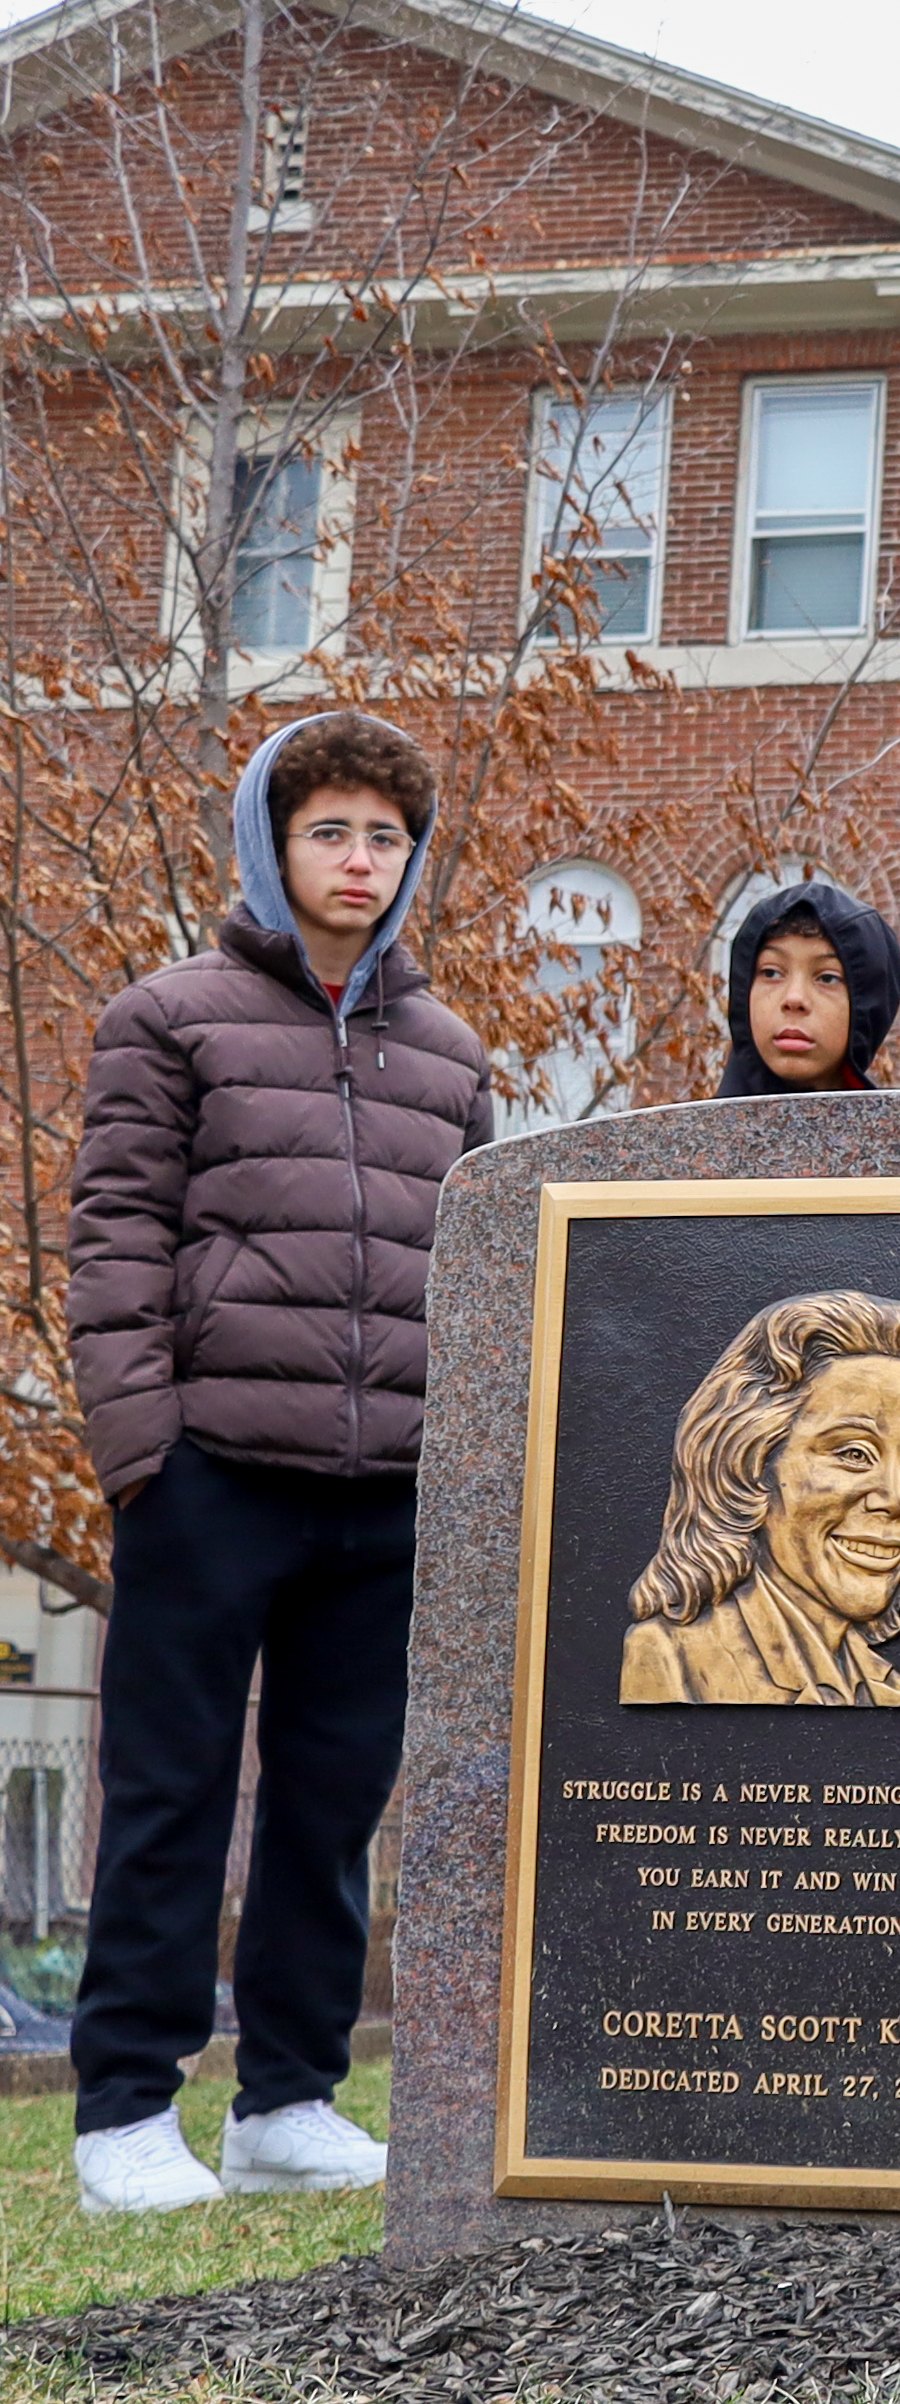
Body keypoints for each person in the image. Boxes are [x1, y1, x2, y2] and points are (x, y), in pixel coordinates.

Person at [63, 712, 494, 2215]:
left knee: (330, 1800)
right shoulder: (165, 1016)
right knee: (171, 1791)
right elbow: (116, 1237)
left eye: (385, 835)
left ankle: (288, 2100)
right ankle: (123, 2110)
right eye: (331, 832)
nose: (360, 860)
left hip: (385, 1492)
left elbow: (482, 1273)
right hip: (212, 1474)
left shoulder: (450, 1054)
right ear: (270, 844)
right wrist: (144, 1451)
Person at [618, 1292, 900, 1708]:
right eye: (854, 1454)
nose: (899, 1498)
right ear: (749, 1465)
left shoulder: (891, 1695)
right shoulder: (669, 1661)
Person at [714, 881, 900, 1094]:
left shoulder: (899, 1126)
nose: (794, 999)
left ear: (868, 1004)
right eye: (771, 973)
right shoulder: (693, 1127)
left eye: (827, 978)